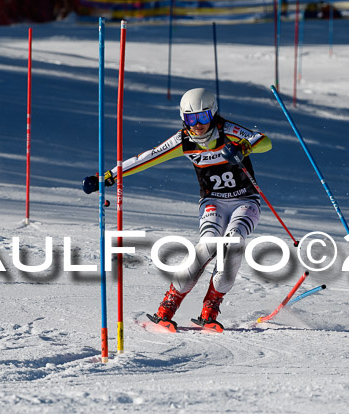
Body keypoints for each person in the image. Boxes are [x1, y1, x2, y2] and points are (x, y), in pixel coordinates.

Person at [83, 88, 272, 332]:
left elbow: (263, 141)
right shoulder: (183, 140)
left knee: (233, 244)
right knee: (208, 246)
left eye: (203, 117)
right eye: (190, 119)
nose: (198, 125)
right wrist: (108, 176)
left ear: (213, 114)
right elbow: (148, 157)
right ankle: (167, 308)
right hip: (213, 201)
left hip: (245, 200)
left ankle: (210, 308)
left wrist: (244, 148)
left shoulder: (230, 132)